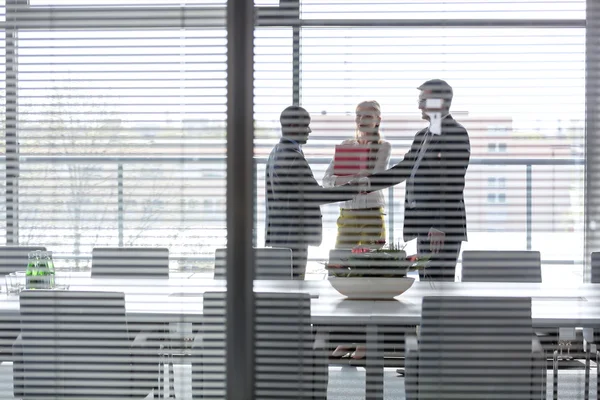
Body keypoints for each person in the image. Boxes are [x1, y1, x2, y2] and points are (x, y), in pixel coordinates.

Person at [355, 79, 470, 281]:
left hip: (440, 226)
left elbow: (453, 184)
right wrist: (368, 183)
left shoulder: (456, 133)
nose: (419, 105)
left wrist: (440, 225)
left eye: (423, 100)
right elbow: (404, 169)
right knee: (427, 282)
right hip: (424, 223)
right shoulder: (423, 135)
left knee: (439, 286)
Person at [265, 105, 364, 279]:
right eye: (306, 125)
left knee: (285, 284)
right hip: (292, 234)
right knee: (293, 285)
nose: (309, 130)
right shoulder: (291, 156)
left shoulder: (276, 152)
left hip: (282, 232)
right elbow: (314, 195)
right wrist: (352, 189)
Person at [323, 100, 392, 249]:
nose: (361, 120)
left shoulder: (383, 146)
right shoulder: (345, 146)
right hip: (347, 214)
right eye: (358, 116)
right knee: (340, 263)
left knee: (370, 266)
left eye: (367, 116)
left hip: (372, 214)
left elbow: (375, 180)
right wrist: (355, 177)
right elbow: (327, 181)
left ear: (377, 120)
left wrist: (344, 179)